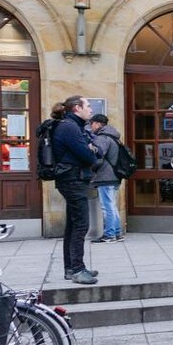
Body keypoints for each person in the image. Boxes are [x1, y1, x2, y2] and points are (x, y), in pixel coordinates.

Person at [51, 95, 102, 284]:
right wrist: (91, 150)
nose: (91, 109)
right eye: (87, 105)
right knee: (81, 225)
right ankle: (77, 270)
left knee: (73, 226)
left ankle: (71, 268)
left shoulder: (71, 125)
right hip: (73, 180)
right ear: (76, 108)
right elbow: (89, 156)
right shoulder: (69, 127)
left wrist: (92, 149)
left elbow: (97, 150)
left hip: (72, 179)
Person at [89, 114, 125, 243]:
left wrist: (90, 165)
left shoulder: (102, 137)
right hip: (114, 176)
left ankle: (109, 235)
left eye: (91, 124)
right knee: (112, 206)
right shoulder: (114, 137)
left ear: (98, 124)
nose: (90, 126)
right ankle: (117, 233)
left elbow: (97, 157)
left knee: (107, 207)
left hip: (105, 176)